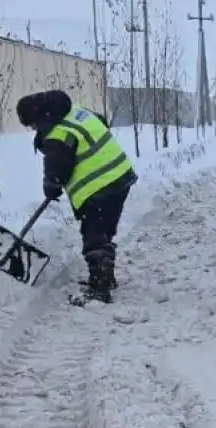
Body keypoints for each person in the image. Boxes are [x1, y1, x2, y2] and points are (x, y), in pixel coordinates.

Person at [15, 89, 138, 302]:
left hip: (99, 187)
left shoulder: (57, 136)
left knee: (94, 237)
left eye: (32, 125)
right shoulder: (76, 110)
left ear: (37, 118)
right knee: (104, 231)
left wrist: (51, 186)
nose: (33, 129)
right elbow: (101, 122)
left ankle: (100, 289)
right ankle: (105, 278)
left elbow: (57, 170)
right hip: (121, 175)